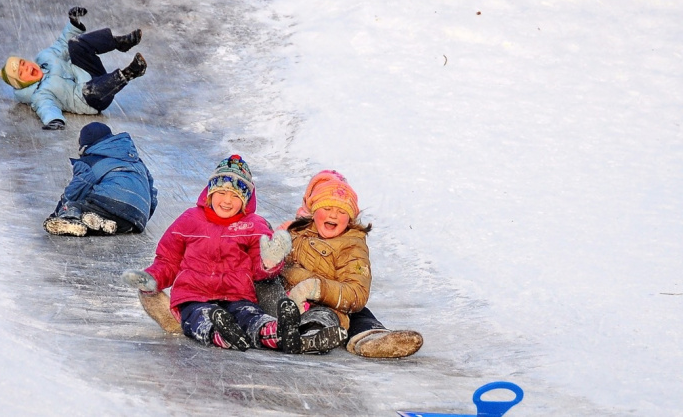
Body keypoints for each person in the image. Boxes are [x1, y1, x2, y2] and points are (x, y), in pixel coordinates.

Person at [120, 155, 344, 354]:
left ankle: (277, 332)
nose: (227, 201)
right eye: (222, 192)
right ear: (210, 192)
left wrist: (269, 261)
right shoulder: (189, 220)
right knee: (200, 317)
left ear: (246, 199)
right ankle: (220, 333)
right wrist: (153, 277)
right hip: (194, 296)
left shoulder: (253, 225)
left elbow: (260, 271)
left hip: (237, 296)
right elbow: (168, 259)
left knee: (251, 316)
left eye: (236, 196)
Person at [275, 170, 423, 358]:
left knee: (342, 313)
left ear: (351, 217)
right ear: (313, 209)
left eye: (342, 211)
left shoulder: (351, 244)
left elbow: (356, 291)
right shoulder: (295, 232)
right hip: (286, 302)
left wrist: (317, 289)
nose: (334, 215)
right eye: (327, 208)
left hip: (327, 305)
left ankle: (335, 336)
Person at [0, 6, 146, 130]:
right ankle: (131, 72)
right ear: (22, 83)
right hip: (91, 99)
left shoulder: (45, 58)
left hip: (89, 73)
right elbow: (47, 108)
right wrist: (54, 121)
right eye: (22, 73)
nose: (28, 69)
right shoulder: (39, 94)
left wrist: (73, 23)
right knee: (89, 90)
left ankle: (120, 42)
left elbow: (62, 43)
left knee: (75, 44)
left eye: (24, 64)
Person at [43, 122, 157, 236]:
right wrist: (142, 216)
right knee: (101, 214)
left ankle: (69, 218)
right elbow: (152, 195)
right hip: (137, 217)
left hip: (110, 201)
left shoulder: (91, 161)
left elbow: (75, 191)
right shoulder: (137, 161)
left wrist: (57, 212)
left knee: (73, 205)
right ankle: (104, 224)